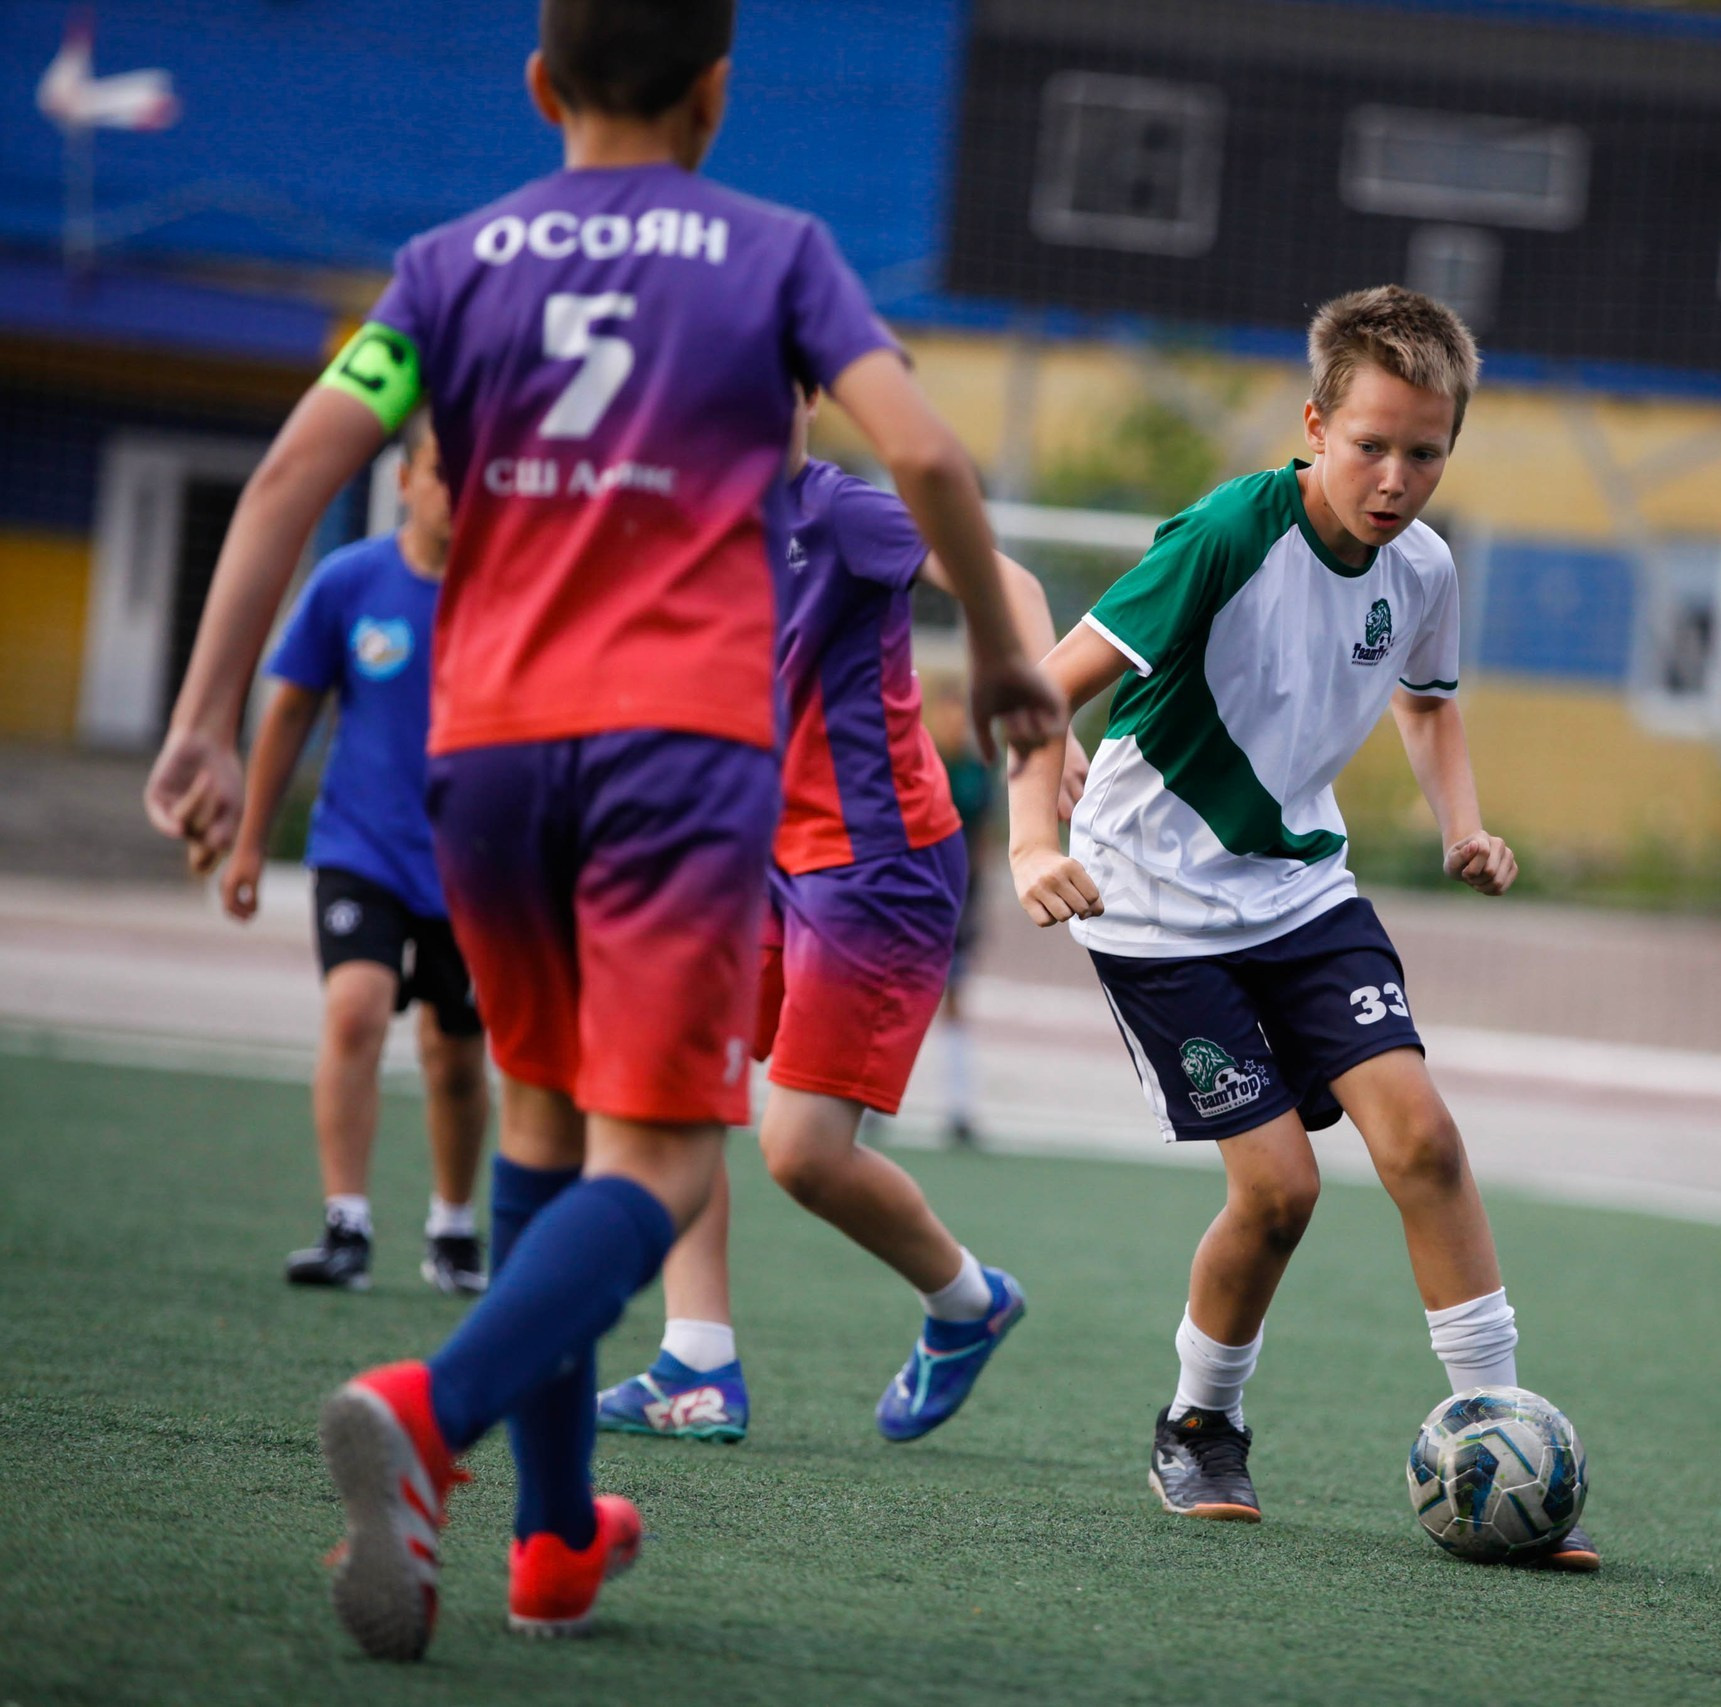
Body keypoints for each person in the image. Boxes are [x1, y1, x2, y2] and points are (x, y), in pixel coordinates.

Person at [142, 0, 1062, 1659]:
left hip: (485, 756)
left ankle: (556, 1543)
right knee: (660, 1161)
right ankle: (437, 1416)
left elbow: (291, 471)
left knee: (543, 1127)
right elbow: (919, 446)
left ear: (539, 84)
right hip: (674, 770)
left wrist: (206, 718)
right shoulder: (776, 253)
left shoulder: (444, 263)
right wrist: (1000, 663)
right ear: (718, 92)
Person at [1006, 285, 1596, 1570]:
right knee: (1277, 1193)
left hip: (1300, 891)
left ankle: (1495, 1430)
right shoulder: (1227, 532)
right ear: (1314, 425)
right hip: (1153, 906)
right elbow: (1036, 692)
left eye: (1426, 452)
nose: (1396, 479)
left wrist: (1462, 826)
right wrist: (1032, 840)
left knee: (1424, 1141)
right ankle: (1199, 1423)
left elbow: (1429, 706)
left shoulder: (1425, 566)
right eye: (1371, 445)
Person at [597, 388, 1082, 1445]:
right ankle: (697, 1366)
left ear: (811, 398)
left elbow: (1010, 583)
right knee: (672, 1095)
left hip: (875, 869)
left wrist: (1036, 703)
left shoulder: (843, 514)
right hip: (747, 859)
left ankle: (966, 1302)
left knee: (802, 1154)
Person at [218, 420, 491, 1297]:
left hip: (474, 863)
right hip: (359, 845)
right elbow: (291, 710)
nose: (460, 490)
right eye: (445, 472)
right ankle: (346, 1223)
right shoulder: (351, 581)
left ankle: (453, 1228)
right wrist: (252, 840)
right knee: (355, 1012)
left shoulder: (512, 593)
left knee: (456, 1053)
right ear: (406, 479)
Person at [925, 674, 994, 1146]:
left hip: (958, 898)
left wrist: (973, 900)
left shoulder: (975, 772)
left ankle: (959, 1105)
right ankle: (868, 1103)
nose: (954, 724)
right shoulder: (920, 763)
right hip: (915, 892)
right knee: (898, 996)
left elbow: (982, 839)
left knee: (952, 996)